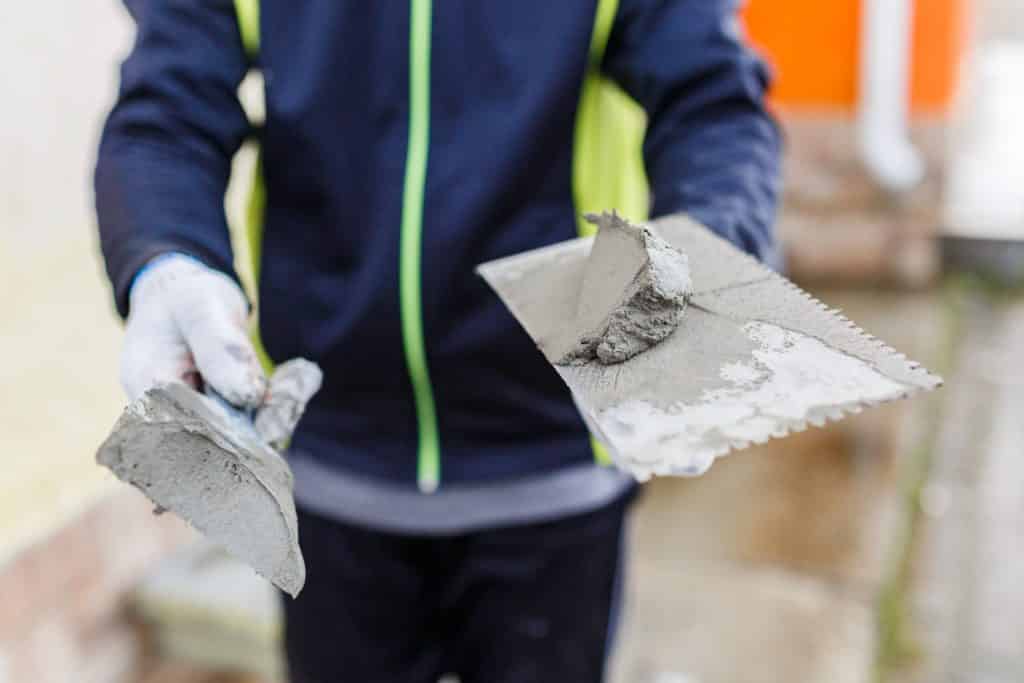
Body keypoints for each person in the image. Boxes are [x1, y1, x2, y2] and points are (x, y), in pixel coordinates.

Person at [95, 0, 781, 681]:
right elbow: (167, 115)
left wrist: (705, 256)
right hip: (329, 468)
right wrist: (166, 258)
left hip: (556, 459)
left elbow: (712, 105)